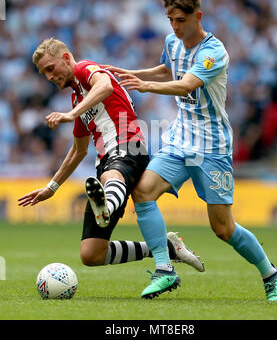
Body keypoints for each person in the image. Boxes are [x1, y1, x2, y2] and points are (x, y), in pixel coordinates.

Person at [107, 0, 277, 300]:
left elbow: (186, 83)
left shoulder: (214, 52)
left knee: (223, 228)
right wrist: (130, 72)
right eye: (170, 20)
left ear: (198, 17)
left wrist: (144, 86)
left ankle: (271, 274)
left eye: (180, 20)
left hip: (212, 147)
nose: (174, 26)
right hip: (179, 140)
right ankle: (164, 269)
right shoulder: (172, 42)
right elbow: (169, 69)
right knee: (143, 191)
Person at [17, 37, 204, 281]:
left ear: (65, 58)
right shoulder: (78, 98)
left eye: (50, 69)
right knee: (92, 254)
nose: (49, 77)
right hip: (108, 162)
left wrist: (71, 114)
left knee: (109, 176)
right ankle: (165, 246)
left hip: (129, 147)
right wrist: (52, 187)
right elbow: (79, 150)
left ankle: (106, 204)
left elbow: (104, 85)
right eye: (44, 74)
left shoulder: (85, 69)